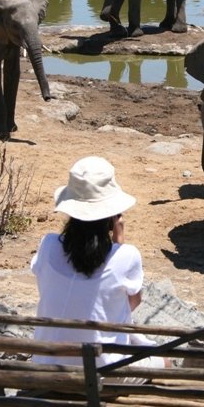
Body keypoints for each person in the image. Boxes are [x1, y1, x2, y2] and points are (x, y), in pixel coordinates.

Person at [30, 156, 165, 376]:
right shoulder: (127, 255)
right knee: (163, 362)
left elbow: (49, 289)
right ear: (113, 216)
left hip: (46, 370)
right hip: (102, 375)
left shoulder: (48, 245)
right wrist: (119, 242)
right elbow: (130, 304)